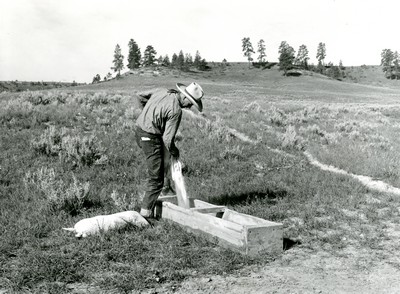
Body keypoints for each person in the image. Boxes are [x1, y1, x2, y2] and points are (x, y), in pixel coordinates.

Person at [135, 82, 204, 218]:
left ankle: (164, 193)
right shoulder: (176, 111)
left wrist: (146, 112)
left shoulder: (161, 91)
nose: (189, 106)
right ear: (184, 97)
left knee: (161, 164)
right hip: (150, 138)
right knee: (156, 178)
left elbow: (139, 96)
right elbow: (167, 139)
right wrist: (174, 151)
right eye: (190, 103)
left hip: (138, 131)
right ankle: (145, 214)